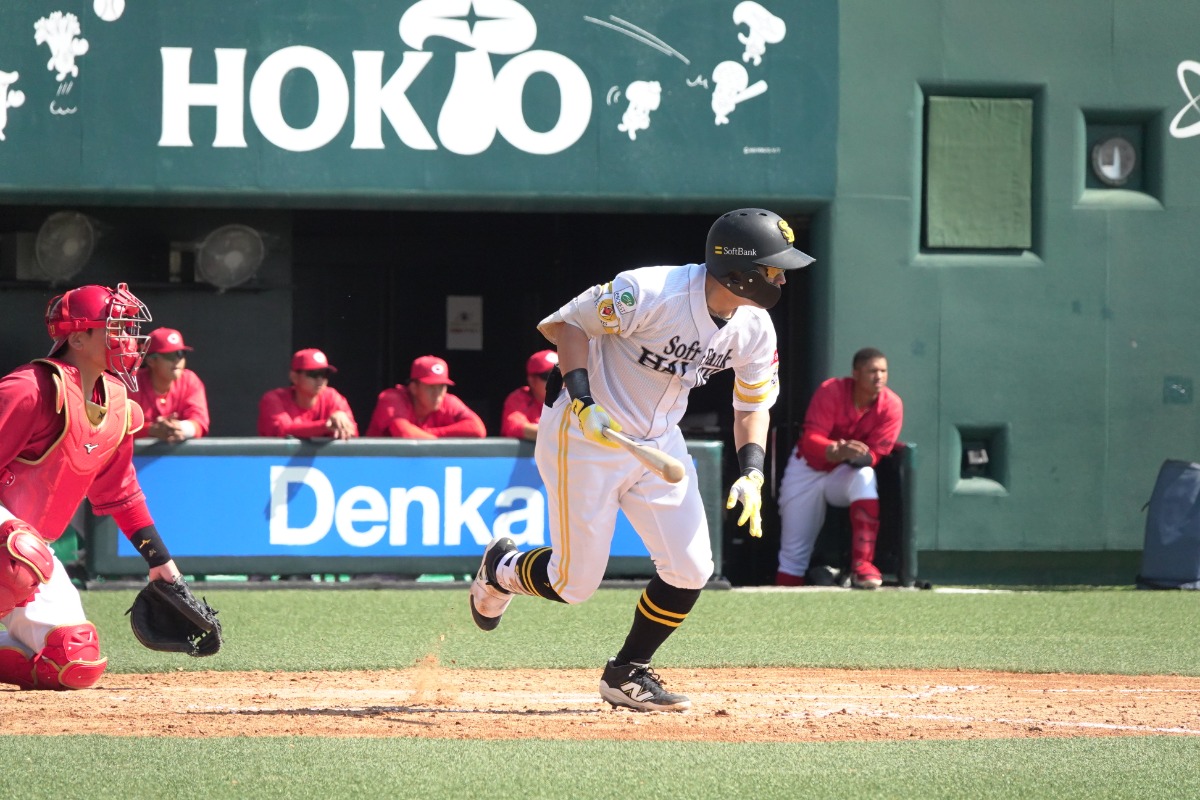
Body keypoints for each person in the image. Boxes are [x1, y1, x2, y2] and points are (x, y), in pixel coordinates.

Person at [469, 208, 814, 711]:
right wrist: (583, 400)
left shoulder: (756, 328)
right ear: (739, 272)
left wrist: (753, 474)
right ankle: (502, 568)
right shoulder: (651, 292)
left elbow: (752, 405)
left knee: (692, 567)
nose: (782, 278)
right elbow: (569, 327)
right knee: (574, 584)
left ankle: (626, 672)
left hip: (658, 442)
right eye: (773, 267)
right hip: (585, 435)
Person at [0, 283, 195, 689]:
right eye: (116, 327)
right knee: (20, 552)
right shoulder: (28, 388)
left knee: (72, 659)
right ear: (76, 337)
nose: (130, 339)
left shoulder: (119, 405)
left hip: (28, 557)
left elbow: (121, 493)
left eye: (129, 328)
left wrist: (160, 563)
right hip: (16, 552)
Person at [776, 347, 904, 589]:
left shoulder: (892, 405)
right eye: (872, 371)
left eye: (883, 371)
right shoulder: (831, 390)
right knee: (792, 555)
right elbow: (811, 440)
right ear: (856, 373)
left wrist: (853, 455)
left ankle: (862, 565)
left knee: (865, 476)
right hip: (807, 468)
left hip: (842, 473)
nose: (879, 377)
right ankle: (782, 606)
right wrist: (836, 449)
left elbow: (877, 453)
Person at [365, 355, 486, 438]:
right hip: (381, 468)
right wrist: (440, 443)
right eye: (431, 387)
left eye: (442, 386)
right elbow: (405, 434)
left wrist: (432, 433)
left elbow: (478, 429)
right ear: (413, 388)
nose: (438, 393)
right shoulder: (392, 398)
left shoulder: (448, 401)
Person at [257, 348, 358, 440]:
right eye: (313, 374)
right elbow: (283, 432)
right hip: (279, 460)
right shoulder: (274, 399)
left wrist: (343, 425)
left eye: (324, 374)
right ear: (294, 377)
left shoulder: (332, 397)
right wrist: (326, 425)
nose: (320, 380)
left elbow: (353, 435)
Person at [131, 327, 210, 442]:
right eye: (170, 356)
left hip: (176, 458)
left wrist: (180, 428)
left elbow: (200, 422)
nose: (177, 360)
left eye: (180, 354)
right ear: (151, 361)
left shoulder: (189, 380)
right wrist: (151, 430)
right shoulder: (132, 384)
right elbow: (117, 428)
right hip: (136, 458)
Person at [499, 349, 558, 441]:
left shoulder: (571, 398)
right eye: (549, 376)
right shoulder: (520, 398)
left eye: (561, 375)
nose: (557, 381)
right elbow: (514, 427)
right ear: (532, 380)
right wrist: (559, 434)